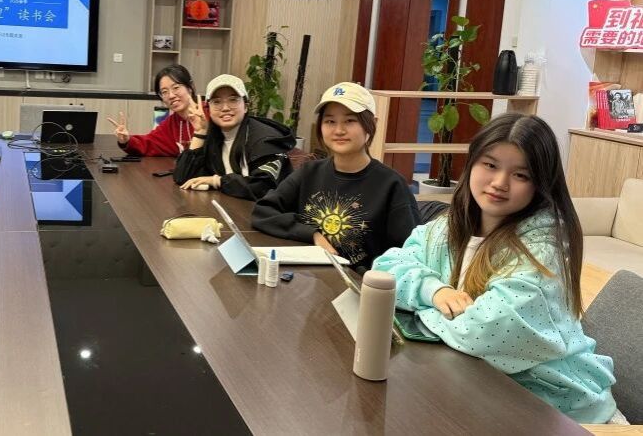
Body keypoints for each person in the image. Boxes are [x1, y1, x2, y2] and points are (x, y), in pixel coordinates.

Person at [372, 113, 622, 425]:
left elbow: (483, 330)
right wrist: (435, 291)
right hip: (477, 387)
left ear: (540, 184)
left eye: (521, 175)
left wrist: (419, 311)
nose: (500, 183)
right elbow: (386, 270)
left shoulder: (542, 248)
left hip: (559, 410)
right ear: (472, 163)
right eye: (490, 165)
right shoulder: (448, 226)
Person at [252, 82, 419, 270]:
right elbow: (263, 211)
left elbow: (410, 255)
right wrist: (312, 234)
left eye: (350, 121)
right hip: (308, 278)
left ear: (372, 124)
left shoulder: (392, 185)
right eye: (330, 121)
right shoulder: (309, 173)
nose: (339, 130)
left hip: (359, 284)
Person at [173, 74, 295, 200]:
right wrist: (200, 132)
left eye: (233, 100)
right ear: (209, 109)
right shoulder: (215, 136)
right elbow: (182, 177)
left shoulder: (266, 139)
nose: (225, 108)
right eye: (217, 102)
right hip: (231, 206)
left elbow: (263, 187)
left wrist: (217, 181)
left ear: (246, 106)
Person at [107, 64, 209, 156]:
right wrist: (126, 140)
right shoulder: (171, 124)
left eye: (176, 88)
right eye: (164, 92)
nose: (171, 95)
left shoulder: (210, 112)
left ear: (190, 87)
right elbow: (148, 143)